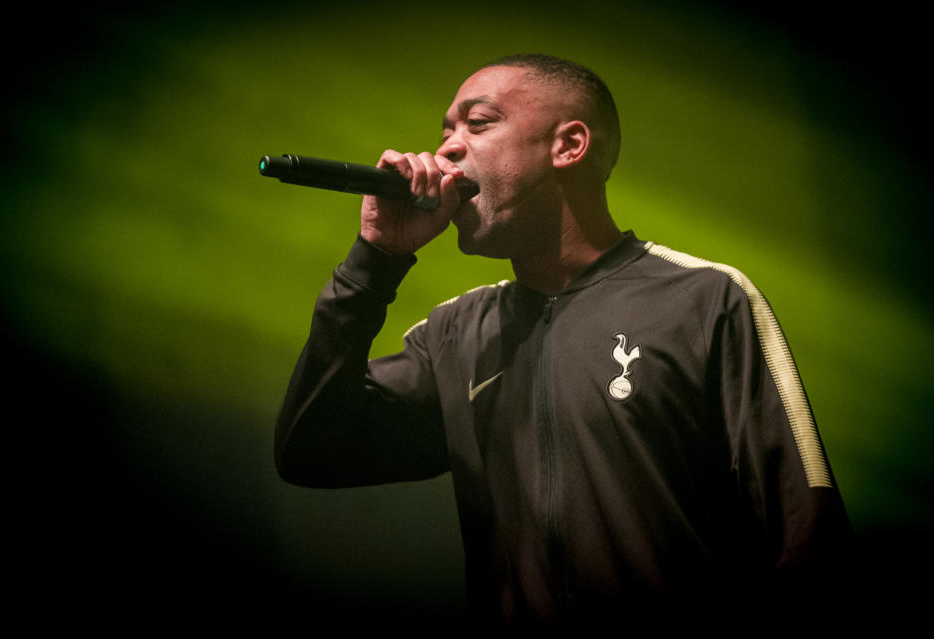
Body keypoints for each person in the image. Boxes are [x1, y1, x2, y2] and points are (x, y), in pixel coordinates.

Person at [275, 54, 851, 626]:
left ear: (568, 145)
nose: (447, 148)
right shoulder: (455, 334)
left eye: (477, 124)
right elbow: (313, 450)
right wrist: (375, 259)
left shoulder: (703, 300)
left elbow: (807, 533)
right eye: (446, 131)